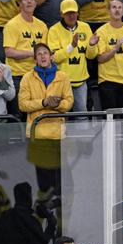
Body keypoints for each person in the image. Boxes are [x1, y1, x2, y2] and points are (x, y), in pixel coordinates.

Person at [19, 43, 74, 209]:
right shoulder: (27, 78)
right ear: (35, 58)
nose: (43, 56)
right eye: (39, 54)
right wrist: (43, 102)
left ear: (51, 56)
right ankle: (45, 213)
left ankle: (61, 213)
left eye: (45, 53)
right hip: (38, 136)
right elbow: (22, 105)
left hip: (58, 135)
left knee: (63, 180)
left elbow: (69, 102)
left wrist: (56, 105)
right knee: (44, 182)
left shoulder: (62, 76)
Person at [47, 0, 97, 112]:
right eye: (67, 13)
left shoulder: (85, 27)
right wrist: (72, 45)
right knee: (59, 115)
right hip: (60, 82)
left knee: (82, 115)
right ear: (61, 14)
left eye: (73, 12)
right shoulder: (54, 30)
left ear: (78, 13)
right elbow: (54, 58)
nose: (71, 16)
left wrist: (92, 45)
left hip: (81, 81)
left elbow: (91, 56)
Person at [3, 0, 49, 98]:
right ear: (19, 3)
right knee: (18, 113)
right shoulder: (12, 25)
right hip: (18, 75)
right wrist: (31, 53)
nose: (29, 2)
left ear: (35, 4)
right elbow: (8, 52)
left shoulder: (42, 25)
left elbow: (44, 50)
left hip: (37, 74)